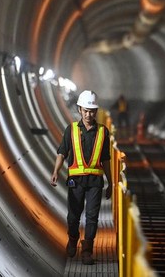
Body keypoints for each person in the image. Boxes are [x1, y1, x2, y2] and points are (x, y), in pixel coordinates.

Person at [50, 90, 113, 265]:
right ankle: (73, 238)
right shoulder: (71, 130)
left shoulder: (103, 132)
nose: (88, 114)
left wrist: (111, 182)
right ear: (79, 109)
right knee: (73, 216)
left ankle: (87, 250)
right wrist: (55, 171)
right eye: (85, 110)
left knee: (92, 217)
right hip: (75, 180)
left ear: (96, 111)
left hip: (95, 181)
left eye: (92, 111)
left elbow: (106, 159)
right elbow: (62, 152)